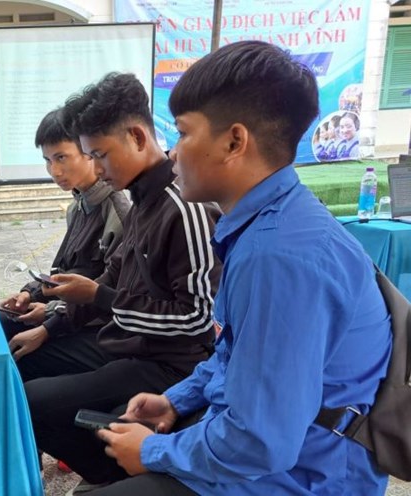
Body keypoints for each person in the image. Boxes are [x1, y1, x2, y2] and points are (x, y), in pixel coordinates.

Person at [92, 41, 392, 495]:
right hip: (271, 452)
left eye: (184, 133)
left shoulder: (279, 256)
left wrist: (153, 452)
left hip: (300, 477)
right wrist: (176, 399)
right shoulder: (266, 226)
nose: (173, 153)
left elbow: (260, 443)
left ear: (234, 141)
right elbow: (234, 354)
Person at [23, 72, 221, 490]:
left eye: (99, 155)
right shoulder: (141, 198)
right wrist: (55, 320)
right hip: (126, 344)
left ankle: (116, 473)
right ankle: (111, 470)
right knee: (21, 375)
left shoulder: (183, 208)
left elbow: (198, 321)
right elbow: (114, 274)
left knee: (31, 401)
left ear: (136, 136)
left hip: (168, 363)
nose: (93, 168)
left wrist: (100, 296)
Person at [0, 108, 130, 380]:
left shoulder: (118, 211)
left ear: (89, 151)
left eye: (62, 157)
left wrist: (50, 317)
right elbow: (67, 270)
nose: (54, 171)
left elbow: (112, 294)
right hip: (69, 316)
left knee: (18, 362)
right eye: (48, 160)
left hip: (103, 331)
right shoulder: (79, 206)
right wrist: (30, 293)